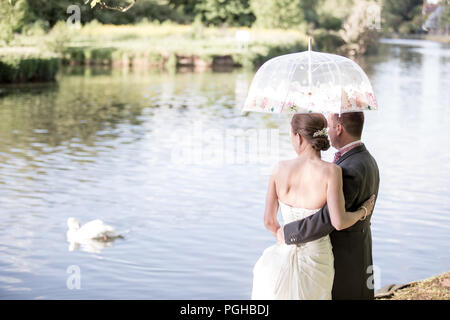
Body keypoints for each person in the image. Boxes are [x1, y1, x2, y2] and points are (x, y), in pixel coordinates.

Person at [251, 112, 376, 300]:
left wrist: (285, 240)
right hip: (318, 256)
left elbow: (269, 221)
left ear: (299, 137)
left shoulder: (279, 169)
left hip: (284, 249)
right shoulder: (332, 171)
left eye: (291, 135)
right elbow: (339, 222)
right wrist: (362, 211)